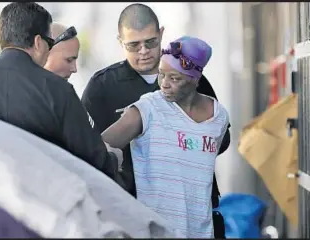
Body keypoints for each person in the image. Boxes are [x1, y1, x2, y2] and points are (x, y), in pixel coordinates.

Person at [81, 3, 230, 206]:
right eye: (134, 45)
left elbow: (221, 138)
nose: (144, 51)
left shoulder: (192, 78)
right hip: (132, 205)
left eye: (150, 42)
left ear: (161, 34)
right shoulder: (102, 87)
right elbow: (88, 149)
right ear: (120, 41)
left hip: (194, 204)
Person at [101, 36, 230, 238]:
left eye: (175, 78)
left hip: (202, 233)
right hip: (156, 232)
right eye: (161, 75)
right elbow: (97, 148)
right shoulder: (147, 109)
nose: (164, 84)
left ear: (195, 79)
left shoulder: (219, 117)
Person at [0, 2, 119, 181]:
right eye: (50, 43)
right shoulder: (58, 90)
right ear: (39, 42)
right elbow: (96, 162)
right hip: (40, 202)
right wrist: (114, 158)